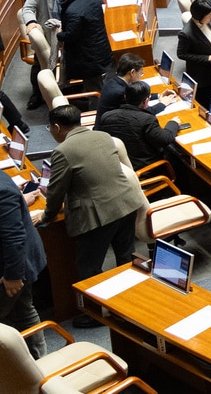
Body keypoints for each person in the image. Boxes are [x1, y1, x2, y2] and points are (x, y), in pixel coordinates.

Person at [42, 103, 144, 299]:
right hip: (126, 203)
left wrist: (47, 215)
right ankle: (133, 300)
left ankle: (99, 313)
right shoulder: (104, 137)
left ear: (56, 127)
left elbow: (55, 191)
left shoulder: (63, 151)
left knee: (89, 267)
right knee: (126, 257)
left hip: (98, 215)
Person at [0, 142, 48, 351]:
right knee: (24, 310)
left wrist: (14, 276)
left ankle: (32, 365)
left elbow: (14, 238)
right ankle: (40, 365)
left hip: (9, 267)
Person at [96, 78, 180, 170]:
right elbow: (164, 139)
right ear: (146, 101)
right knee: (174, 152)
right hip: (144, 169)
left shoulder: (107, 116)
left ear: (125, 97)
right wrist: (173, 123)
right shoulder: (147, 120)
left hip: (117, 166)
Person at [19, 0, 69, 109]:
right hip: (48, 36)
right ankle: (37, 93)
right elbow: (27, 8)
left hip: (67, 34)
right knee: (39, 64)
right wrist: (31, 22)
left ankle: (69, 87)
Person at [59, 0, 113, 87]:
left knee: (94, 88)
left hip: (87, 58)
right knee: (100, 82)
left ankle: (96, 104)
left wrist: (58, 34)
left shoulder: (72, 11)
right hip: (101, 48)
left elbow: (71, 36)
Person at [177, 0, 211, 108]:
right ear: (200, 16)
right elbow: (181, 54)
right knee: (206, 104)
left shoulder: (208, 18)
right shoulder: (186, 33)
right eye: (210, 15)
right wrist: (207, 58)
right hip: (202, 74)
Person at [95, 53, 149, 124]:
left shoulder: (112, 79)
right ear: (132, 72)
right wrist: (162, 104)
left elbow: (139, 94)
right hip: (109, 130)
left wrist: (158, 95)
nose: (140, 76)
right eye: (140, 72)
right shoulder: (121, 92)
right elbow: (137, 113)